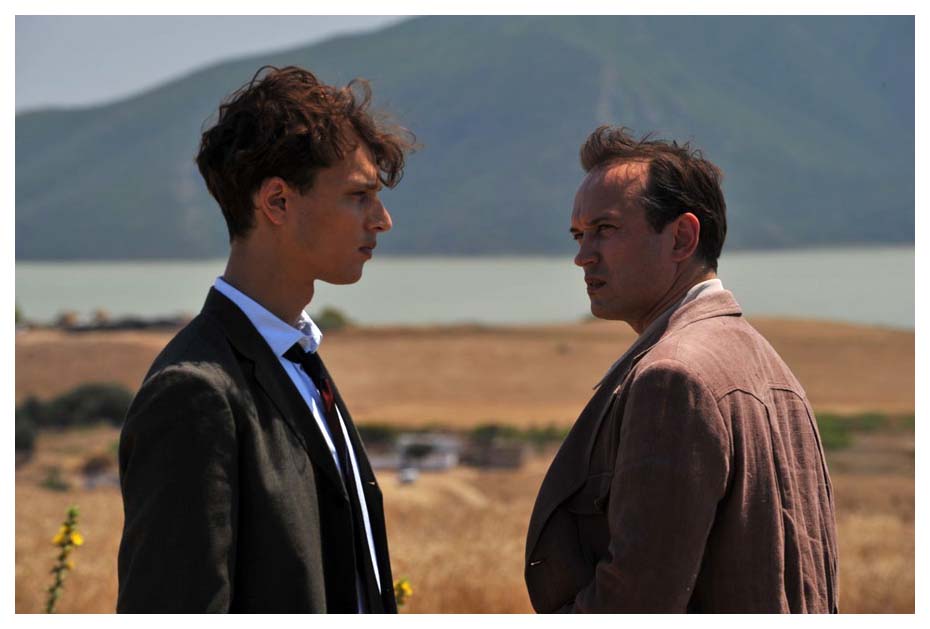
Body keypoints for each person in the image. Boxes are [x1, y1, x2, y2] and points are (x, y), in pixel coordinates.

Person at [117, 65, 414, 613]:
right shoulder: (195, 393)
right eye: (359, 195)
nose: (382, 220)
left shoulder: (300, 362)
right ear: (277, 202)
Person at [525, 127, 838, 613]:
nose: (582, 256)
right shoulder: (773, 370)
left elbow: (635, 606)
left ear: (682, 237)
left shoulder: (673, 379)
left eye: (605, 229)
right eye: (579, 234)